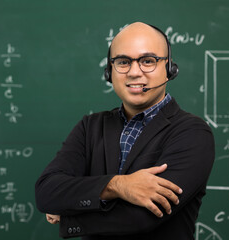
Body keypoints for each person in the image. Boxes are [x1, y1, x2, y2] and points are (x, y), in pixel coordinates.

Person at [35, 22, 215, 239]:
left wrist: (69, 218)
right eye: (123, 62)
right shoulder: (90, 126)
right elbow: (46, 192)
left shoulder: (192, 133)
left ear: (169, 69)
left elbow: (142, 217)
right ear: (109, 71)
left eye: (148, 61)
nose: (134, 72)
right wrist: (119, 186)